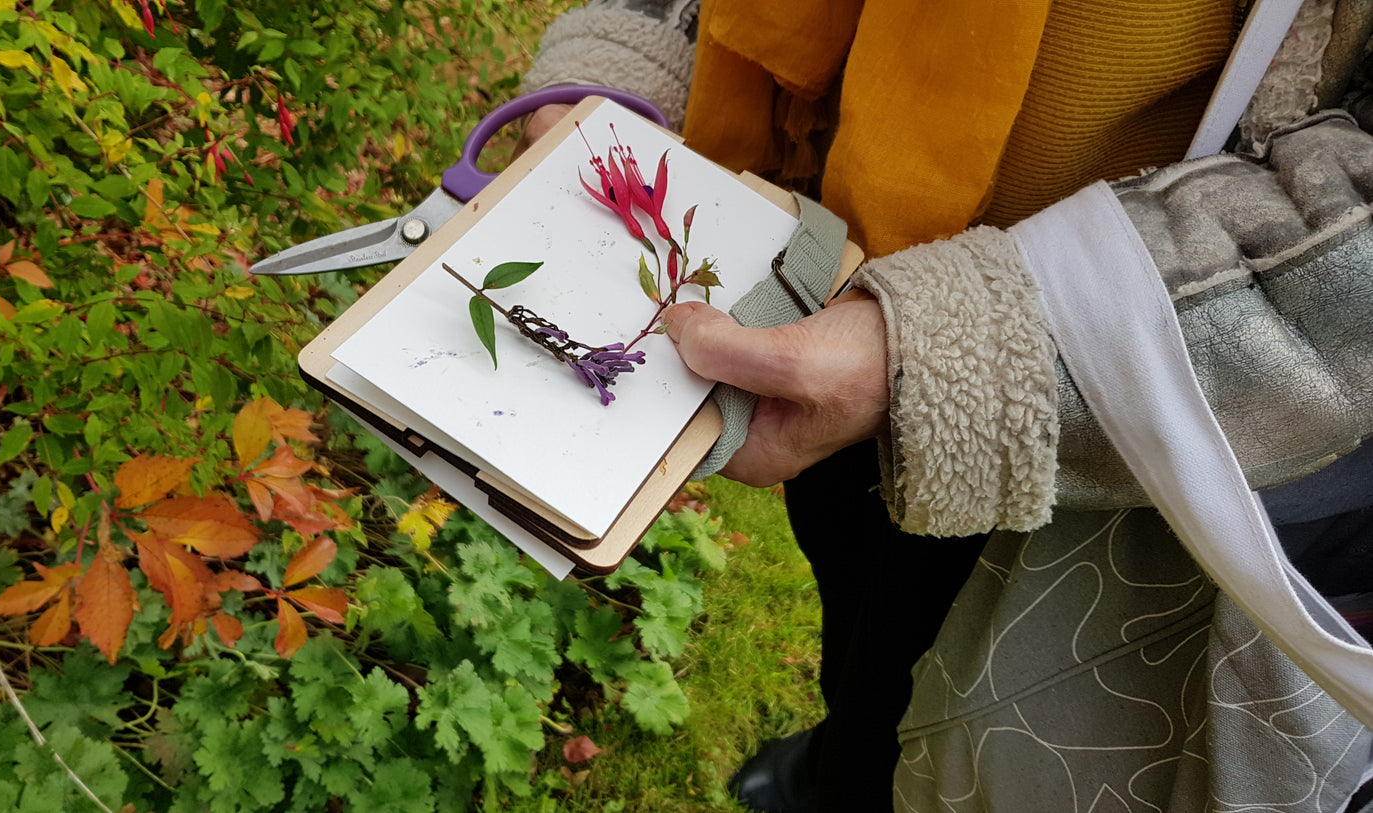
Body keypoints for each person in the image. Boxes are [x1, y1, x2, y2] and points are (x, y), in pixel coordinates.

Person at [520, 0, 1373, 810]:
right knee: (851, 586)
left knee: (949, 677)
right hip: (831, 271)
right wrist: (641, 64)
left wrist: (948, 344)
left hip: (1082, 403)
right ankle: (836, 752)